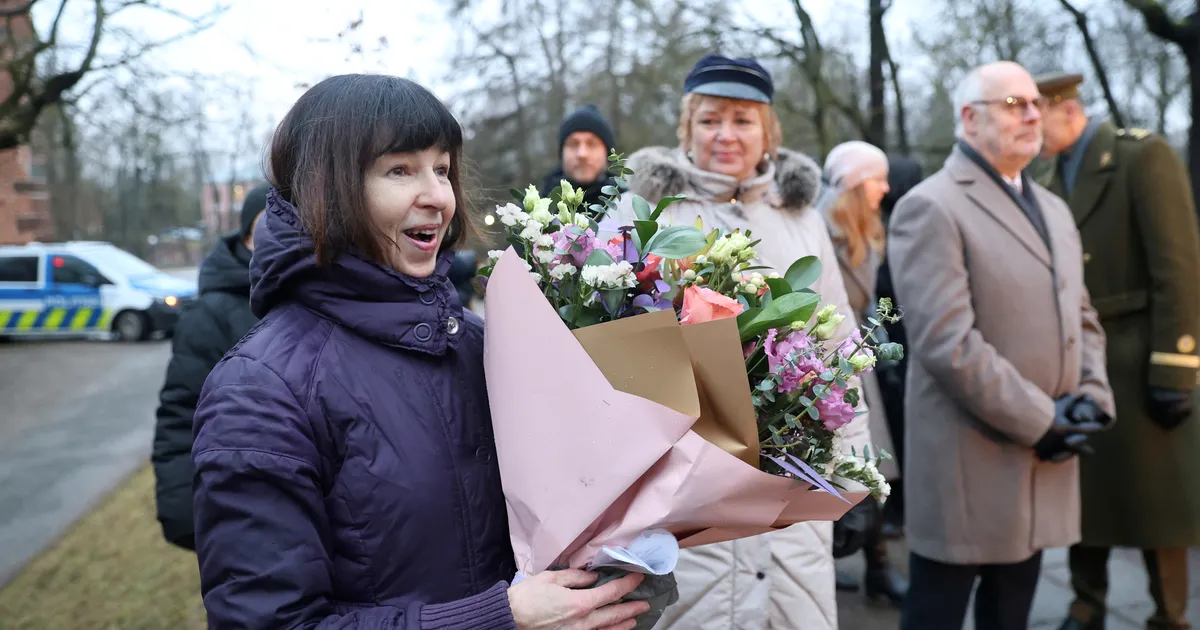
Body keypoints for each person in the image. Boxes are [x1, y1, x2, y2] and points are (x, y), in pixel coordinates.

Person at [189, 73, 652, 630]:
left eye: (441, 169)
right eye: (400, 170)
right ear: (327, 188)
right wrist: (500, 620)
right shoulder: (261, 390)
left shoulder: (484, 346)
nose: (436, 196)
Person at [605, 53, 873, 630]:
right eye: (709, 119)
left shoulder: (801, 218)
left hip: (795, 486)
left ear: (768, 129)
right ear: (686, 127)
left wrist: (854, 472)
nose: (726, 135)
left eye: (743, 120)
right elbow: (606, 346)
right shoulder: (645, 212)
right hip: (685, 494)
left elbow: (840, 351)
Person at [886, 61, 1116, 630]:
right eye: (1015, 104)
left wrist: (1093, 395)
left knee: (1012, 613)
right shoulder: (932, 205)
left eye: (1035, 103)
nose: (1035, 114)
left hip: (1046, 454)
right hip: (972, 459)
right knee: (936, 613)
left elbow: (1081, 313)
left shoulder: (1055, 209)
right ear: (970, 118)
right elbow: (946, 343)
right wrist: (1044, 419)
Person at [1036, 71, 1200, 630]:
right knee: (1087, 492)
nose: (1030, 129)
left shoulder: (1140, 156)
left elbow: (1177, 268)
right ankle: (1086, 605)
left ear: (1065, 108)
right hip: (1080, 357)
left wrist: (1176, 367)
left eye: (1037, 115)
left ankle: (1170, 612)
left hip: (1138, 356)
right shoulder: (1050, 175)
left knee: (1158, 501)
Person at [150, 182, 267, 551]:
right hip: (245, 522)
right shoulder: (209, 315)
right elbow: (183, 416)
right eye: (267, 228)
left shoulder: (320, 299)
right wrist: (187, 514)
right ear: (246, 238)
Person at [816, 140, 907, 607]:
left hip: (860, 358)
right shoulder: (820, 229)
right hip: (828, 361)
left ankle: (878, 568)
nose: (886, 188)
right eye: (878, 178)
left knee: (872, 468)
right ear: (854, 183)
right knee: (837, 466)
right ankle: (842, 564)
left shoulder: (867, 229)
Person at [873, 154, 924, 539]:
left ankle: (902, 506)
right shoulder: (888, 227)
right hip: (894, 336)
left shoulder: (901, 227)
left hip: (900, 336)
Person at [539, 104, 618, 214]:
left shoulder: (627, 206)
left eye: (592, 144)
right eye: (573, 144)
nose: (582, 154)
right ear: (562, 153)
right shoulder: (535, 210)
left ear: (607, 153)